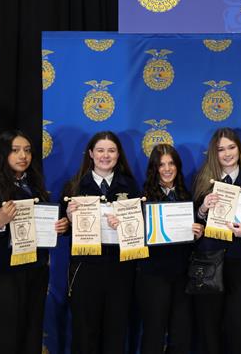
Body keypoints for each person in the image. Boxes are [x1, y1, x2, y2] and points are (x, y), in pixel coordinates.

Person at [0, 129, 69, 354]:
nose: (23, 156)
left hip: (35, 274)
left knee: (30, 341)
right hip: (3, 279)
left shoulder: (35, 187)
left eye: (27, 151)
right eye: (16, 150)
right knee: (5, 342)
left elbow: (44, 227)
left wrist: (60, 227)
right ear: (3, 154)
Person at [63, 131, 140, 354]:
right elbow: (60, 230)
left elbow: (140, 229)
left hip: (120, 270)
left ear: (118, 154)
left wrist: (124, 224)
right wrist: (68, 218)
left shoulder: (130, 186)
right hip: (85, 269)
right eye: (100, 150)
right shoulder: (75, 186)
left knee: (116, 332)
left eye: (111, 150)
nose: (105, 155)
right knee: (84, 333)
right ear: (90, 153)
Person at [192, 128, 241, 354]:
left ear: (239, 150)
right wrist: (203, 209)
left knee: (240, 327)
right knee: (209, 327)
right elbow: (191, 225)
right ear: (214, 153)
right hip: (209, 263)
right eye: (220, 149)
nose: (227, 153)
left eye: (231, 147)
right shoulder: (202, 181)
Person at [137, 143, 204, 354]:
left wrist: (197, 232)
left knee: (181, 334)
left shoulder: (186, 195)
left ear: (177, 166)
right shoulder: (143, 198)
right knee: (154, 333)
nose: (167, 169)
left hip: (182, 275)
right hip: (153, 275)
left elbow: (192, 238)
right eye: (161, 164)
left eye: (171, 163)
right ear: (154, 169)